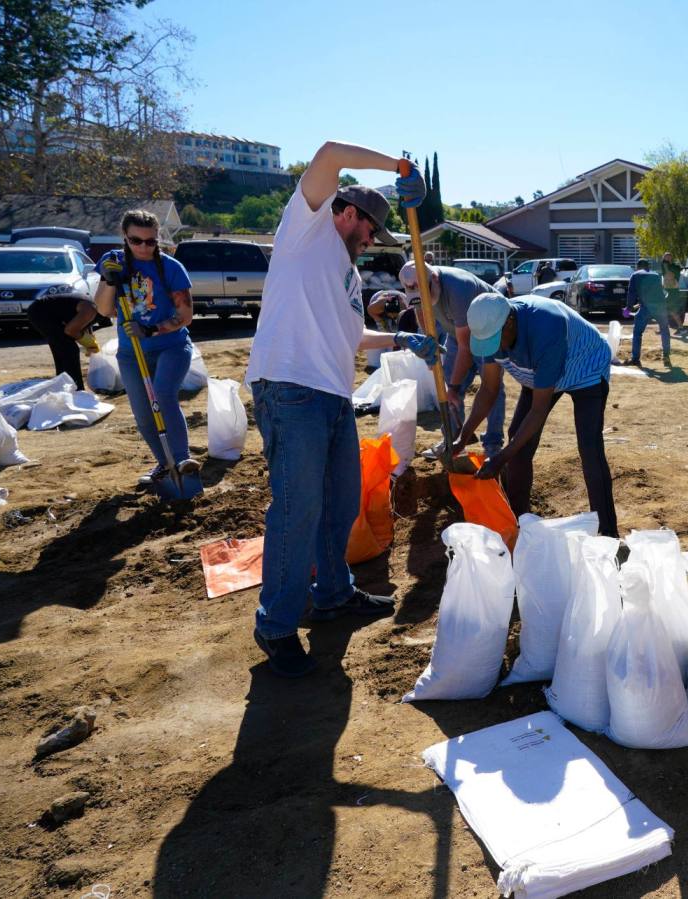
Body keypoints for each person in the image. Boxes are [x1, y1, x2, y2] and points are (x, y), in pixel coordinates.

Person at [242, 141, 431, 678]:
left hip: (331, 395)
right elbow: (327, 154)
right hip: (289, 387)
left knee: (341, 501)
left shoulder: (347, 274)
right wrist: (399, 168)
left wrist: (399, 341)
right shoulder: (308, 228)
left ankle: (332, 594)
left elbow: (350, 337)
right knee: (297, 508)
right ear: (347, 212)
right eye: (371, 229)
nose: (372, 242)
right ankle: (275, 624)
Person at [451, 292, 618, 537]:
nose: (494, 348)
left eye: (496, 340)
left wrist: (501, 458)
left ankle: (608, 533)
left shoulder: (546, 326)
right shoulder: (490, 329)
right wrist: (462, 437)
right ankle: (519, 523)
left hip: (585, 367)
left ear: (509, 322)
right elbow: (488, 388)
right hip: (538, 372)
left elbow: (538, 409)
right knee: (519, 442)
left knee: (590, 448)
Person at [92, 210, 199, 487]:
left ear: (157, 239)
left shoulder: (171, 268)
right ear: (125, 238)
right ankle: (164, 465)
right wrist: (108, 279)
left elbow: (185, 316)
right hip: (131, 352)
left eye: (150, 242)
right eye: (135, 240)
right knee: (142, 412)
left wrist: (152, 329)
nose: (143, 247)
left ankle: (182, 459)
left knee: (163, 395)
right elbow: (104, 309)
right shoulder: (112, 262)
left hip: (172, 346)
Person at [396, 261, 506, 458]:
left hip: (489, 333)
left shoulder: (458, 287)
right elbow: (420, 311)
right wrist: (429, 345)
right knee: (448, 382)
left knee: (492, 388)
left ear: (435, 280)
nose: (423, 300)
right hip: (457, 333)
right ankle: (452, 440)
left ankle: (493, 444)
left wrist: (454, 388)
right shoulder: (419, 287)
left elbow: (467, 348)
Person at [26, 279, 99, 391]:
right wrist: (86, 341)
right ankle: (76, 390)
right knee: (69, 350)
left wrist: (90, 341)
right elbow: (70, 331)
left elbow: (84, 325)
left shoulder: (91, 307)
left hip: (42, 311)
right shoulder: (91, 309)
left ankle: (63, 387)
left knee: (61, 350)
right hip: (40, 312)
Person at [626, 258, 670, 368]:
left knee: (637, 332)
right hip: (660, 306)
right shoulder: (656, 275)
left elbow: (631, 293)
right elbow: (660, 292)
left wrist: (628, 308)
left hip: (646, 307)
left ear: (638, 267)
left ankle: (635, 359)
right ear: (648, 267)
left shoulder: (635, 275)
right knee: (664, 330)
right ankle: (666, 356)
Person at [660, 251, 687, 335]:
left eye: (669, 256)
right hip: (669, 291)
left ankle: (680, 328)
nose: (667, 258)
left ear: (671, 258)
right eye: (665, 256)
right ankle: (680, 328)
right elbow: (666, 271)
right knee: (669, 311)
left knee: (670, 311)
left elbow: (669, 272)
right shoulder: (667, 266)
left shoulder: (672, 267)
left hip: (673, 292)